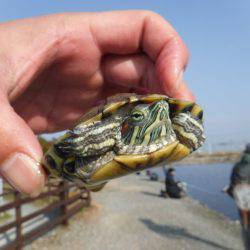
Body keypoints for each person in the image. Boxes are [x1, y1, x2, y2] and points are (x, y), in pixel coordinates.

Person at [0, 11, 194, 196]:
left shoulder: (169, 128)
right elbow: (78, 144)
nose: (161, 112)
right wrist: (82, 142)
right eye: (138, 117)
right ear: (123, 126)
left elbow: (188, 125)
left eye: (165, 116)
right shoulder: (111, 131)